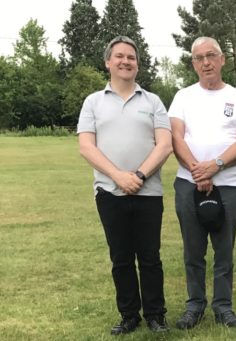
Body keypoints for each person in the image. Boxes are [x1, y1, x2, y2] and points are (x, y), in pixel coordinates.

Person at [77, 36, 172, 335]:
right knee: (120, 257)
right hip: (109, 192)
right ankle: (129, 315)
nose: (125, 61)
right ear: (108, 62)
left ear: (137, 64)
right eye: (119, 56)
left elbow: (165, 145)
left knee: (150, 257)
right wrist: (119, 176)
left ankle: (156, 315)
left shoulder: (153, 101)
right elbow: (86, 147)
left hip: (148, 192)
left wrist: (139, 176)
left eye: (131, 57)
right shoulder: (93, 102)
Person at [168, 36, 236, 329]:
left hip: (228, 184)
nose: (206, 62)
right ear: (193, 63)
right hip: (188, 183)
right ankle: (194, 306)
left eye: (211, 55)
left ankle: (223, 306)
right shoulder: (182, 96)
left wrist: (214, 166)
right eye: (199, 57)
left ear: (222, 59)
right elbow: (175, 137)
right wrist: (197, 171)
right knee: (193, 250)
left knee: (224, 250)